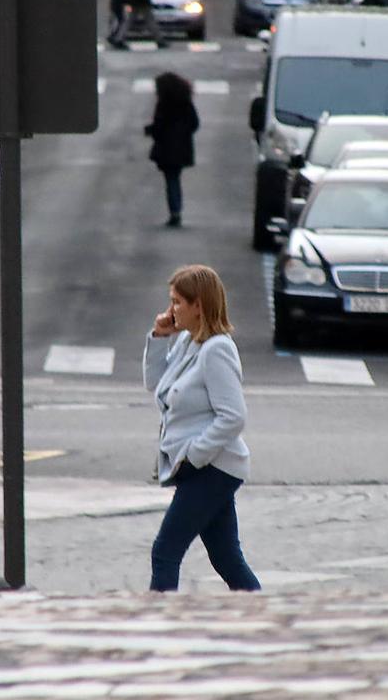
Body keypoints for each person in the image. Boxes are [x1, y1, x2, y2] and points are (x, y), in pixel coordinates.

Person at [143, 264, 261, 593]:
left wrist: (195, 456)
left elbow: (233, 416)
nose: (171, 309)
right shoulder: (187, 343)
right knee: (226, 559)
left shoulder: (217, 349)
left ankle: (159, 628)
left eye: (178, 302)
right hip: (201, 467)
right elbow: (157, 386)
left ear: (199, 306)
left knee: (165, 551)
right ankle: (263, 614)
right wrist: (159, 338)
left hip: (213, 468)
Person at [144, 72, 197, 227]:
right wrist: (184, 134)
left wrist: (151, 131)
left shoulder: (163, 104)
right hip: (182, 148)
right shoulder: (186, 102)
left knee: (171, 180)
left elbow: (159, 125)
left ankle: (175, 212)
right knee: (174, 179)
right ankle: (176, 210)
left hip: (167, 148)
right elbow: (194, 123)